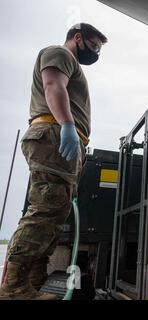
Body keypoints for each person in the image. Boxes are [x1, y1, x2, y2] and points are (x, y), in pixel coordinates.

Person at [0, 23, 107, 300]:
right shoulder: (61, 53)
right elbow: (53, 85)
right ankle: (13, 289)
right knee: (47, 209)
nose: (95, 53)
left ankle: (32, 280)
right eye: (94, 46)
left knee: (55, 212)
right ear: (78, 38)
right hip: (56, 134)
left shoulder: (72, 63)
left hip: (62, 140)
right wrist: (68, 125)